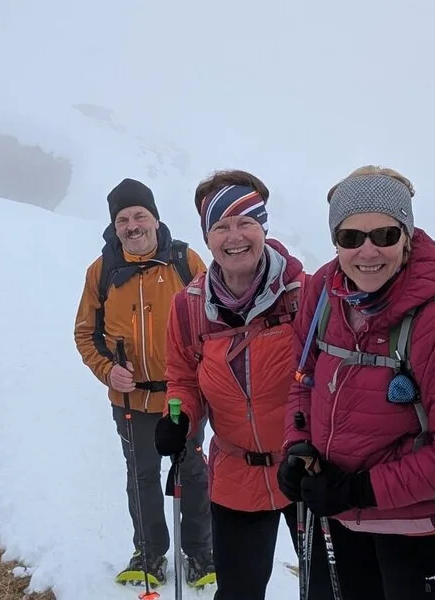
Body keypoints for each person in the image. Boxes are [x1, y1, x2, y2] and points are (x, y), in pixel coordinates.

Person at [279, 166, 435, 600]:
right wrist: (298, 445)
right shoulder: (323, 291)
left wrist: (358, 490)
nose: (368, 251)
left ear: (408, 235)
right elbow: (302, 378)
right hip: (340, 520)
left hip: (421, 533)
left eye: (385, 234)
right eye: (351, 237)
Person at [151, 170, 305, 597]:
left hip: (307, 468)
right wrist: (177, 417)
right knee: (239, 592)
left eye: (245, 222)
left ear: (263, 228)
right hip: (237, 471)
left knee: (329, 590)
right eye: (220, 226)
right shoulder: (189, 308)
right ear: (207, 237)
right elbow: (182, 378)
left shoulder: (303, 294)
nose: (234, 236)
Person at [73, 177, 215, 587]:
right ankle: (150, 553)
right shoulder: (101, 272)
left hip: (182, 396)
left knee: (192, 473)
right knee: (142, 475)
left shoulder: (186, 262)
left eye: (139, 215)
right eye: (122, 219)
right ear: (114, 226)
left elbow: (213, 323)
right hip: (130, 399)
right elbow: (85, 333)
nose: (132, 225)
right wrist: (107, 370)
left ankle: (202, 554)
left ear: (154, 218)